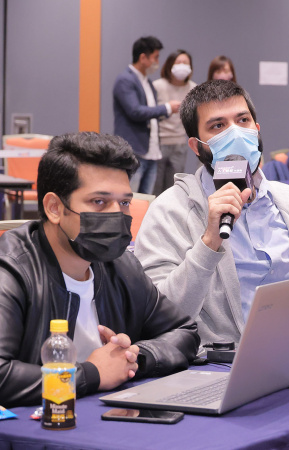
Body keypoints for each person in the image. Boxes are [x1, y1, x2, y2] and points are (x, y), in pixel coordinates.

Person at [134, 81, 289, 344]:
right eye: (218, 126)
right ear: (197, 146)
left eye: (243, 120)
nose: (235, 133)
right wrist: (209, 243)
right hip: (224, 365)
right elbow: (158, 320)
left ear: (257, 130)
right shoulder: (170, 211)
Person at [0, 132, 200, 407]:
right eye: (99, 202)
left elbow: (185, 332)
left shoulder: (122, 267)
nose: (117, 215)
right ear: (54, 208)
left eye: (124, 202)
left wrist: (133, 358)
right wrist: (91, 374)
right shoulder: (10, 270)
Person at [113, 36, 181, 194]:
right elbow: (135, 111)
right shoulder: (125, 80)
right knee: (130, 199)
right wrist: (166, 108)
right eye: (155, 57)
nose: (157, 62)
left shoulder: (147, 82)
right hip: (134, 152)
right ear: (143, 57)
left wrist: (166, 112)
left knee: (145, 203)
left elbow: (149, 113)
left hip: (151, 152)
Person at [152, 49, 198, 195]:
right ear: (170, 64)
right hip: (159, 143)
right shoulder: (158, 86)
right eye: (178, 62)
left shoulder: (193, 87)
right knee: (155, 187)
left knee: (174, 189)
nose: (182, 66)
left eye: (186, 63)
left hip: (180, 144)